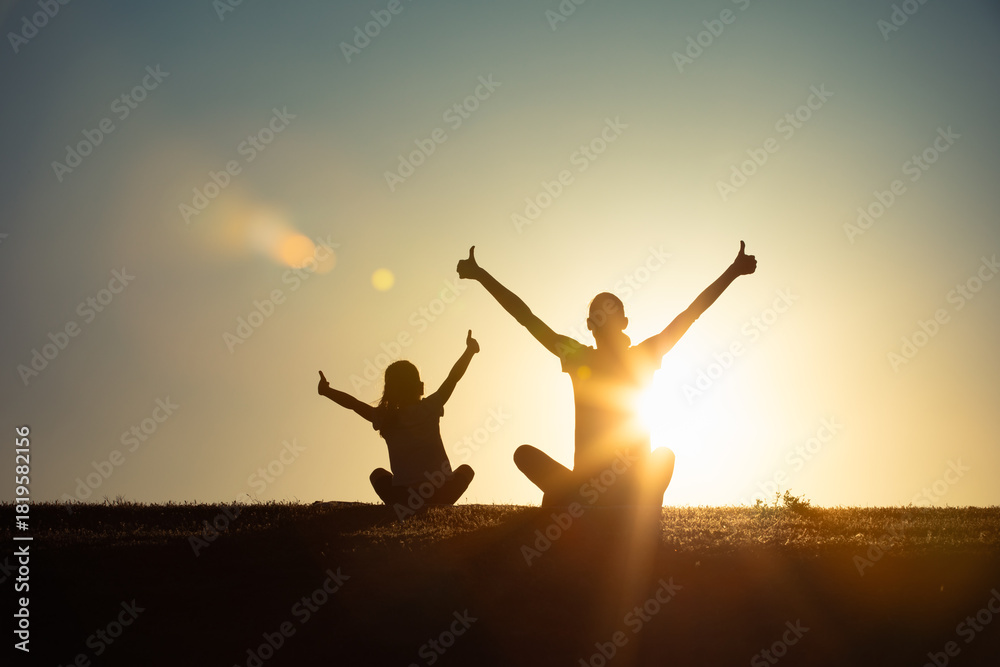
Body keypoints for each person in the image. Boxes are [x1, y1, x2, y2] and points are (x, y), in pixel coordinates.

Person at [456, 242, 757, 506]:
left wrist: (733, 271)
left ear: (623, 322)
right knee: (524, 454)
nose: (605, 322)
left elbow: (690, 314)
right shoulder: (584, 356)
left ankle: (612, 506)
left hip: (617, 488)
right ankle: (605, 504)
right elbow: (526, 317)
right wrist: (481, 275)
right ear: (591, 325)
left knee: (664, 456)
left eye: (610, 316)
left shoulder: (633, 355)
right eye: (600, 317)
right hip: (587, 489)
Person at [317, 331, 478, 512]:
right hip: (441, 493)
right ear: (420, 386)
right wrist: (470, 351)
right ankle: (434, 505)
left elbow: (353, 404)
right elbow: (453, 378)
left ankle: (406, 506)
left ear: (389, 391)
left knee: (377, 475)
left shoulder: (385, 418)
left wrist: (327, 392)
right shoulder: (430, 407)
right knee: (466, 470)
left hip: (405, 498)